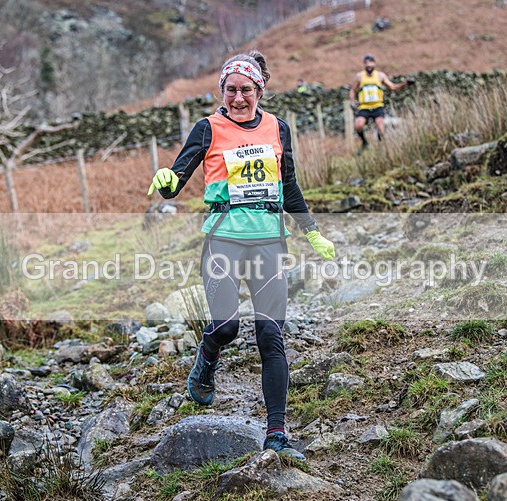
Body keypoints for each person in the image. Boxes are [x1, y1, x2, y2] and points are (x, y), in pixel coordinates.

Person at [147, 50, 335, 461]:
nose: (238, 98)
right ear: (222, 91)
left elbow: (289, 186)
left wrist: (313, 232)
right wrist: (165, 181)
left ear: (259, 90)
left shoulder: (277, 129)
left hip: (269, 240)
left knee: (271, 336)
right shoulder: (207, 128)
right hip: (223, 240)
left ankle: (277, 434)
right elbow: (175, 181)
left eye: (245, 90)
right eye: (231, 90)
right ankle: (208, 357)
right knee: (227, 326)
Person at [349, 54, 414, 150]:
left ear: (374, 64)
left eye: (371, 65)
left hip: (377, 106)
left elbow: (393, 87)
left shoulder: (380, 76)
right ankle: (365, 143)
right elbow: (353, 90)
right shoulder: (360, 76)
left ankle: (381, 145)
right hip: (364, 107)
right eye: (367, 65)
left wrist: (405, 83)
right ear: (364, 65)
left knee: (380, 127)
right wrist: (352, 100)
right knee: (358, 125)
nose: (369, 67)